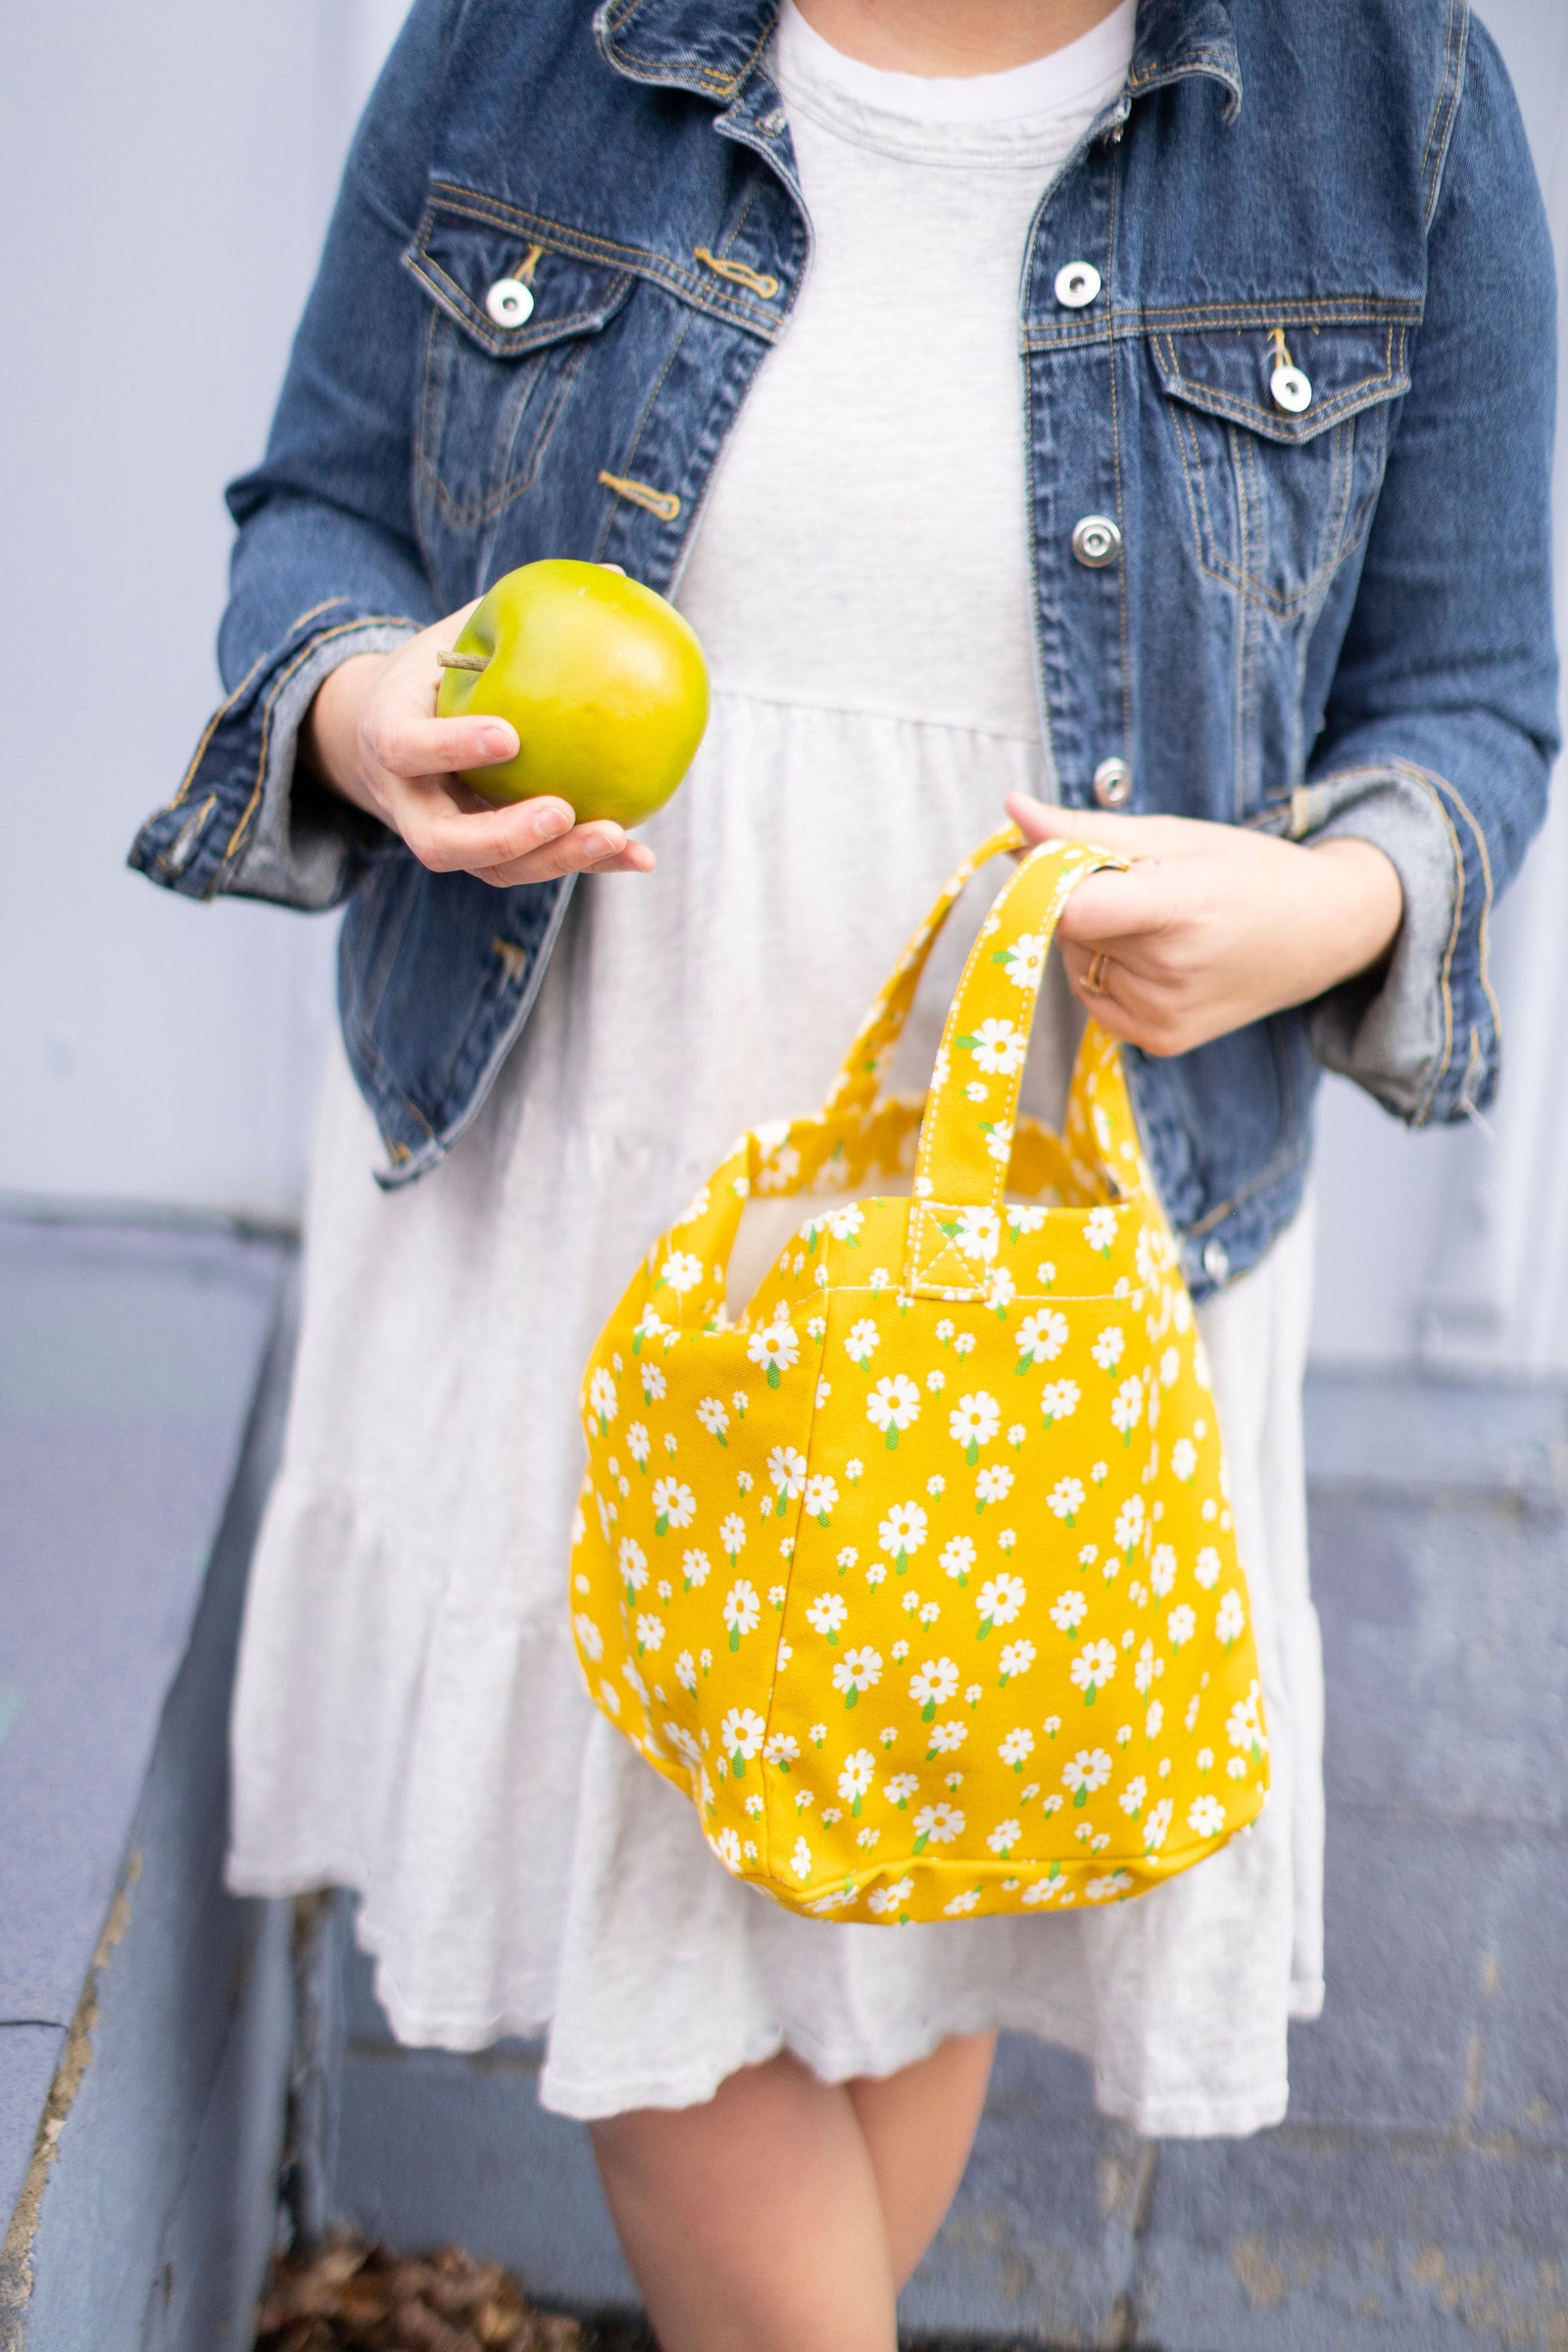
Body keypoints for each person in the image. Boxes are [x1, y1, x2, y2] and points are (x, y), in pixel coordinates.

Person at [130, 0, 1558, 2343]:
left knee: (935, 1856)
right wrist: (365, 704)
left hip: (1057, 1176)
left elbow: (1468, 697)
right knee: (668, 1935)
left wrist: (1317, 911)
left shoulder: (1375, 80)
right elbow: (323, 508)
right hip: (601, 1104)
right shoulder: (536, 31)